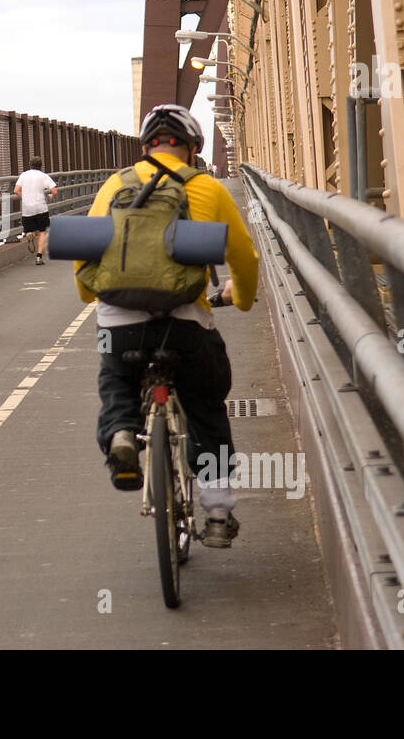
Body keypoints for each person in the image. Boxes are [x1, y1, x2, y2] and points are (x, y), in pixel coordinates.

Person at [74, 104, 258, 548]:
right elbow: (244, 257)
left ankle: (121, 432)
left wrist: (91, 297)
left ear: (144, 147)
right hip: (186, 320)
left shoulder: (115, 185)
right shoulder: (207, 187)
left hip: (118, 321)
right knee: (205, 401)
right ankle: (216, 510)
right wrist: (242, 299)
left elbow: (85, 254)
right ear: (193, 148)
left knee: (116, 377)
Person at [14, 156, 57, 265]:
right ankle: (39, 256)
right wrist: (51, 196)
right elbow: (54, 191)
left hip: (27, 208)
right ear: (41, 165)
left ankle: (30, 235)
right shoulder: (43, 176)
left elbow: (16, 190)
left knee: (31, 230)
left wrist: (24, 198)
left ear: (30, 164)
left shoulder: (24, 175)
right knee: (42, 231)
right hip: (40, 207)